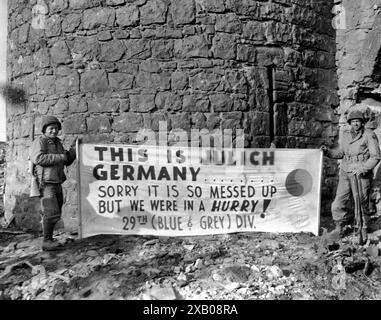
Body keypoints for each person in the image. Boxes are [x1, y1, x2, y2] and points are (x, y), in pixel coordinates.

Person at [321, 110, 381, 242]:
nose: (355, 124)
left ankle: (363, 229)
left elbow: (376, 156)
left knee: (361, 202)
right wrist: (328, 152)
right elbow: (341, 153)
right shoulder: (346, 135)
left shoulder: (369, 135)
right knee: (338, 202)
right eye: (353, 121)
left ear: (362, 122)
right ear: (349, 123)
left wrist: (363, 168)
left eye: (358, 121)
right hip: (345, 171)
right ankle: (339, 227)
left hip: (360, 173)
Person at [30, 116, 76, 251]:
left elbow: (65, 160)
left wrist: (72, 152)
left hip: (57, 181)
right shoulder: (40, 141)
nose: (54, 131)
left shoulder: (57, 143)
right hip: (46, 183)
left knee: (56, 211)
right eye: (51, 129)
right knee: (51, 212)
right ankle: (47, 241)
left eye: (56, 129)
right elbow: (38, 158)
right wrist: (60, 157)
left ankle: (49, 239)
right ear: (45, 130)